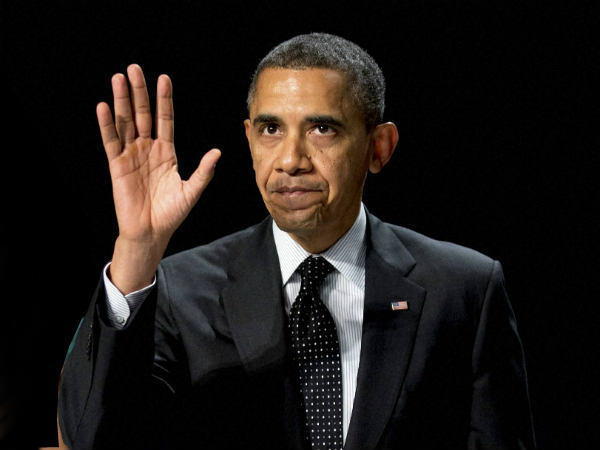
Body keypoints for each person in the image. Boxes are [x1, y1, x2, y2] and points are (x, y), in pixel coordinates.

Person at [57, 33, 535, 450]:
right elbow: (93, 439)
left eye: (322, 128)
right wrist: (137, 248)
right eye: (271, 129)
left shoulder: (464, 288)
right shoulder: (179, 292)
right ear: (249, 140)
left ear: (378, 148)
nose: (290, 160)